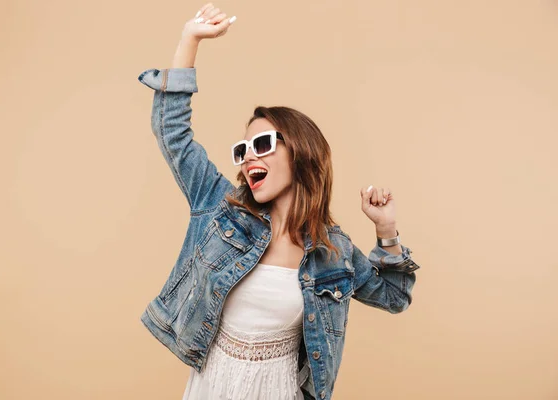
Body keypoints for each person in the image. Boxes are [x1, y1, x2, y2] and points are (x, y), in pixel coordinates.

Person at [137, 3, 421, 399]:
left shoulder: (331, 251)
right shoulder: (221, 207)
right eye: (244, 149)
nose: (250, 155)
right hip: (213, 386)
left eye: (264, 144)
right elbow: (174, 135)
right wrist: (190, 40)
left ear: (300, 153)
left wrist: (385, 229)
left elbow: (394, 296)